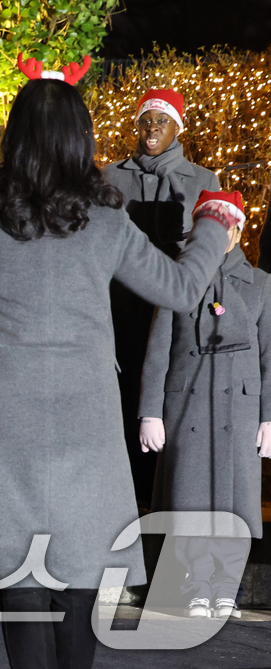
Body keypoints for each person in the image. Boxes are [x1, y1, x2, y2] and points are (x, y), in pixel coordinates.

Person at [0, 77, 240, 669]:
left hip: (2, 417)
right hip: (85, 416)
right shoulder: (107, 220)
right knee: (81, 579)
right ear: (79, 139)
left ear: (15, 140)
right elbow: (182, 288)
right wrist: (215, 219)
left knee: (21, 581)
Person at [138, 191, 270, 620]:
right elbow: (158, 350)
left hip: (240, 411)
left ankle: (224, 589)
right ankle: (194, 587)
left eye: (223, 228)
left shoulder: (263, 284)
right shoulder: (176, 278)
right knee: (191, 501)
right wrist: (150, 411)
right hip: (188, 407)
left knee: (234, 505)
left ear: (236, 232)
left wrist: (270, 417)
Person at [102, 89, 218, 504]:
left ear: (177, 128)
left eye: (161, 121)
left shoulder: (204, 180)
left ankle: (162, 490)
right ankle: (121, 490)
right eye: (145, 120)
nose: (152, 129)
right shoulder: (110, 176)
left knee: (165, 390)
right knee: (121, 387)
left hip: (171, 302)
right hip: (121, 304)